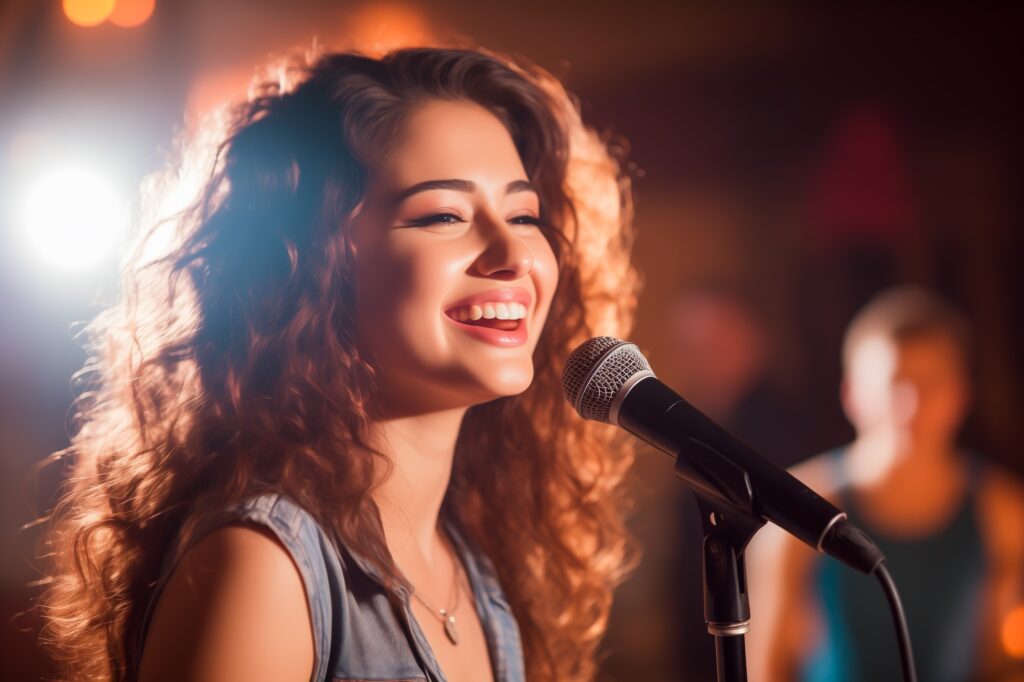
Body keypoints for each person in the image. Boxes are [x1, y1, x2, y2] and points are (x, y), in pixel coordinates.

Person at [38, 47, 640, 682]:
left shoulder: (476, 573)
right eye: (443, 215)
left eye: (523, 215)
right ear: (314, 266)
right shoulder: (264, 566)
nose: (512, 253)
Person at [746, 286, 1024, 681]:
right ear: (852, 394)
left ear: (960, 394)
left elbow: (1003, 663)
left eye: (929, 383)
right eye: (895, 383)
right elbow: (765, 670)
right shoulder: (796, 515)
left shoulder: (1004, 513)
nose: (911, 404)